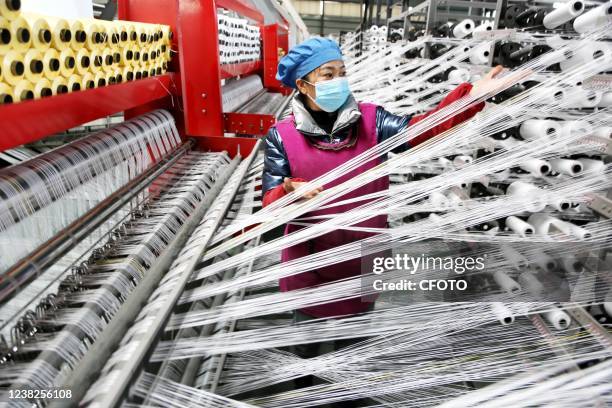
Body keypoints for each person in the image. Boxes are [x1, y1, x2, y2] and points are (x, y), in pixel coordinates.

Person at [262, 36, 503, 340]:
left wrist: (469, 99)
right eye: (328, 75)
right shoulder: (282, 137)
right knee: (307, 344)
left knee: (354, 345)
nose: (339, 81)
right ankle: (304, 382)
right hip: (311, 265)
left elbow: (421, 130)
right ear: (303, 85)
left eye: (342, 72)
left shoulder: (371, 121)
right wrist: (288, 192)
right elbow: (269, 205)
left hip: (363, 263)